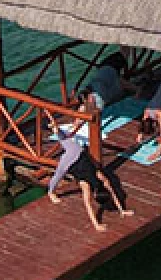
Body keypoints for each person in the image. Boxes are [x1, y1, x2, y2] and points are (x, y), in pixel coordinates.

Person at [46, 94, 130, 228]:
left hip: (74, 161)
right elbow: (93, 203)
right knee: (59, 171)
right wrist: (98, 225)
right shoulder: (98, 179)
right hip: (77, 154)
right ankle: (50, 192)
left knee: (62, 140)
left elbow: (92, 203)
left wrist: (122, 210)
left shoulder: (90, 183)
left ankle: (53, 123)